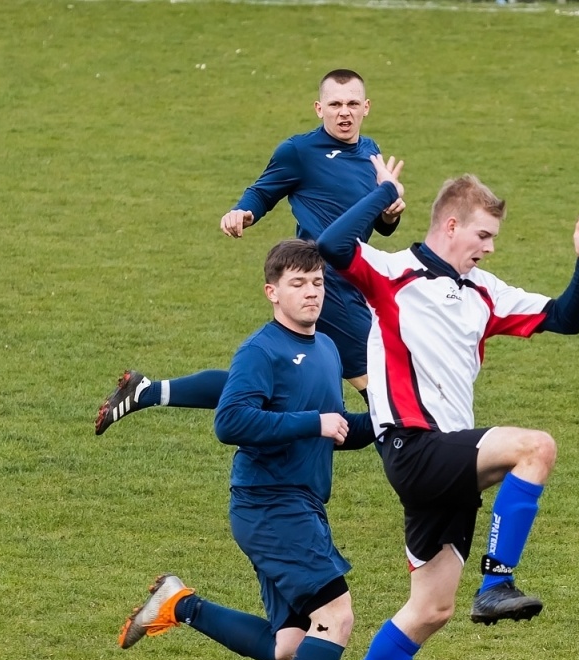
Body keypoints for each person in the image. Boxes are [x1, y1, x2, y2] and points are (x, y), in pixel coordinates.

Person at [300, 158, 579, 660]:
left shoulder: (485, 292)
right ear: (449, 225)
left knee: (431, 608)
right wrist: (384, 192)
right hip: (416, 450)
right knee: (537, 447)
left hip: (448, 471)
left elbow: (566, 318)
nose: (489, 249)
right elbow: (329, 247)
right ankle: (498, 584)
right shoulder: (393, 272)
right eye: (483, 237)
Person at [117, 239, 374, 660]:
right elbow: (230, 422)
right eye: (298, 284)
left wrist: (394, 427)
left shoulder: (326, 349)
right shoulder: (262, 351)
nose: (311, 293)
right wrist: (314, 423)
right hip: (270, 505)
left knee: (291, 649)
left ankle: (178, 604)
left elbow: (336, 430)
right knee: (337, 615)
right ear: (272, 292)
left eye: (318, 283)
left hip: (301, 504)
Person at [94, 69, 405, 434]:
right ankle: (423, 468)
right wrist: (243, 211)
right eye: (335, 104)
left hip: (351, 282)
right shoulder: (299, 152)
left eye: (352, 104)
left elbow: (378, 223)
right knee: (389, 405)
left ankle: (147, 391)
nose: (344, 112)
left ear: (366, 107)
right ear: (319, 108)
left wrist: (388, 214)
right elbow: (262, 190)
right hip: (323, 284)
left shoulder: (371, 152)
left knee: (281, 382)